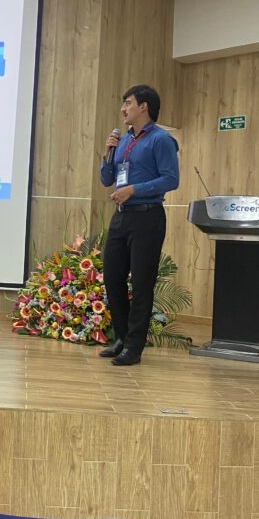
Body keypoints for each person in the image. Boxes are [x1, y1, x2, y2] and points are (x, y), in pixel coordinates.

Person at [98, 84, 179, 366]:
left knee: (142, 283)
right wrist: (106, 154)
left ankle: (134, 347)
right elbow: (107, 179)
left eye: (128, 103)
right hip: (121, 216)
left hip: (147, 216)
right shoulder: (122, 141)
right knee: (113, 278)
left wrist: (134, 190)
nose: (123, 109)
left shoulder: (161, 140)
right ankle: (121, 338)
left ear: (144, 106)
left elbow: (171, 179)